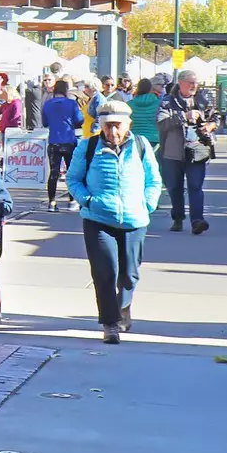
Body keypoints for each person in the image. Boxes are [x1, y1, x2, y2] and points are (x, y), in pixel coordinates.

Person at [66, 99, 163, 342]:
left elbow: (153, 180)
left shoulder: (141, 146)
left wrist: (148, 204)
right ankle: (110, 323)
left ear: (128, 124)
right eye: (107, 126)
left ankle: (124, 306)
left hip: (134, 219)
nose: (113, 131)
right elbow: (73, 178)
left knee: (129, 274)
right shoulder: (88, 147)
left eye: (117, 125)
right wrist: (87, 200)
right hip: (99, 218)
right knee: (105, 271)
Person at [157, 67, 218, 234]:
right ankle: (177, 218)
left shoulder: (203, 100)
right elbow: (161, 124)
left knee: (195, 186)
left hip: (197, 151)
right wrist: (184, 116)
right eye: (190, 82)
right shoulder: (167, 101)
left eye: (196, 82)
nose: (194, 85)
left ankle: (197, 221)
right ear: (181, 83)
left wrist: (210, 125)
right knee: (174, 187)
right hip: (173, 152)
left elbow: (215, 117)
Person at [42, 79, 82, 209]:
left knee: (54, 173)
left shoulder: (47, 104)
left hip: (54, 141)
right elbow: (79, 120)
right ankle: (72, 201)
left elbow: (44, 123)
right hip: (69, 141)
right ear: (66, 90)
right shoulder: (72, 103)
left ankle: (52, 202)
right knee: (71, 172)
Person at [128, 77, 162, 147]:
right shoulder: (159, 104)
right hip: (154, 139)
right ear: (151, 89)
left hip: (134, 138)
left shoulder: (129, 104)